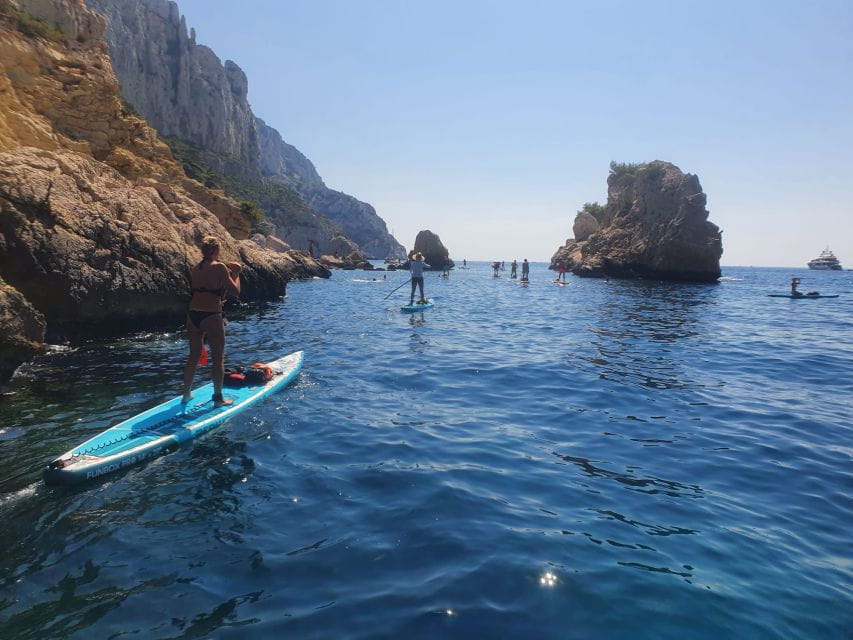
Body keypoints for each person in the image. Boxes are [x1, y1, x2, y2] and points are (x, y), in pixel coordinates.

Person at [182, 236, 241, 407]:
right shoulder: (220, 267)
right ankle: (218, 399)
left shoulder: (196, 268)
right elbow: (235, 291)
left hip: (193, 315)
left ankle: (186, 394)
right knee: (218, 358)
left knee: (193, 356)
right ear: (216, 250)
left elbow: (204, 290)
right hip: (211, 315)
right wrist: (236, 273)